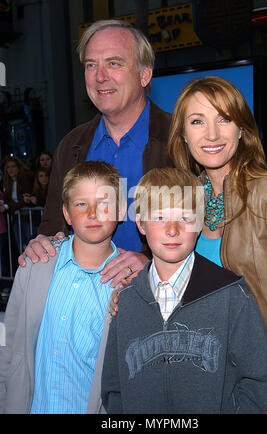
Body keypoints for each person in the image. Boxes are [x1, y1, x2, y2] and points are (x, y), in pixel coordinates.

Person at [166, 76, 267, 413]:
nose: (211, 134)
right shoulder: (182, 202)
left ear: (242, 130)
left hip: (266, 383)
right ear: (183, 135)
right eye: (197, 121)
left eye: (224, 119)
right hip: (206, 384)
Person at [101, 167, 267, 414]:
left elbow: (257, 378)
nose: (172, 230)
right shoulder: (127, 300)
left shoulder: (230, 294)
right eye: (160, 218)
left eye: (185, 218)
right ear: (141, 224)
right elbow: (113, 387)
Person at [18, 19, 172, 289]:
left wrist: (151, 262)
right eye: (91, 65)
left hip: (159, 301)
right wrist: (42, 244)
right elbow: (54, 227)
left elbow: (204, 231)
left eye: (114, 63)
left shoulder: (178, 140)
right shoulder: (72, 146)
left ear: (144, 75)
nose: (100, 76)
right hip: (85, 304)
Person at [0, 160, 126, 414]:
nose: (93, 213)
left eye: (104, 203)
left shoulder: (127, 283)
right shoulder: (34, 266)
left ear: (121, 210)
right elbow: (10, 341)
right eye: (81, 204)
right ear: (66, 214)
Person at [1, 156, 33, 254]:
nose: (10, 169)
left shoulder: (25, 180)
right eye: (8, 167)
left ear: (18, 168)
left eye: (13, 166)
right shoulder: (6, 183)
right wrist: (10, 205)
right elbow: (7, 201)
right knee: (21, 246)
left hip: (28, 217)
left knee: (29, 244)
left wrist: (8, 207)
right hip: (15, 218)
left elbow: (25, 200)